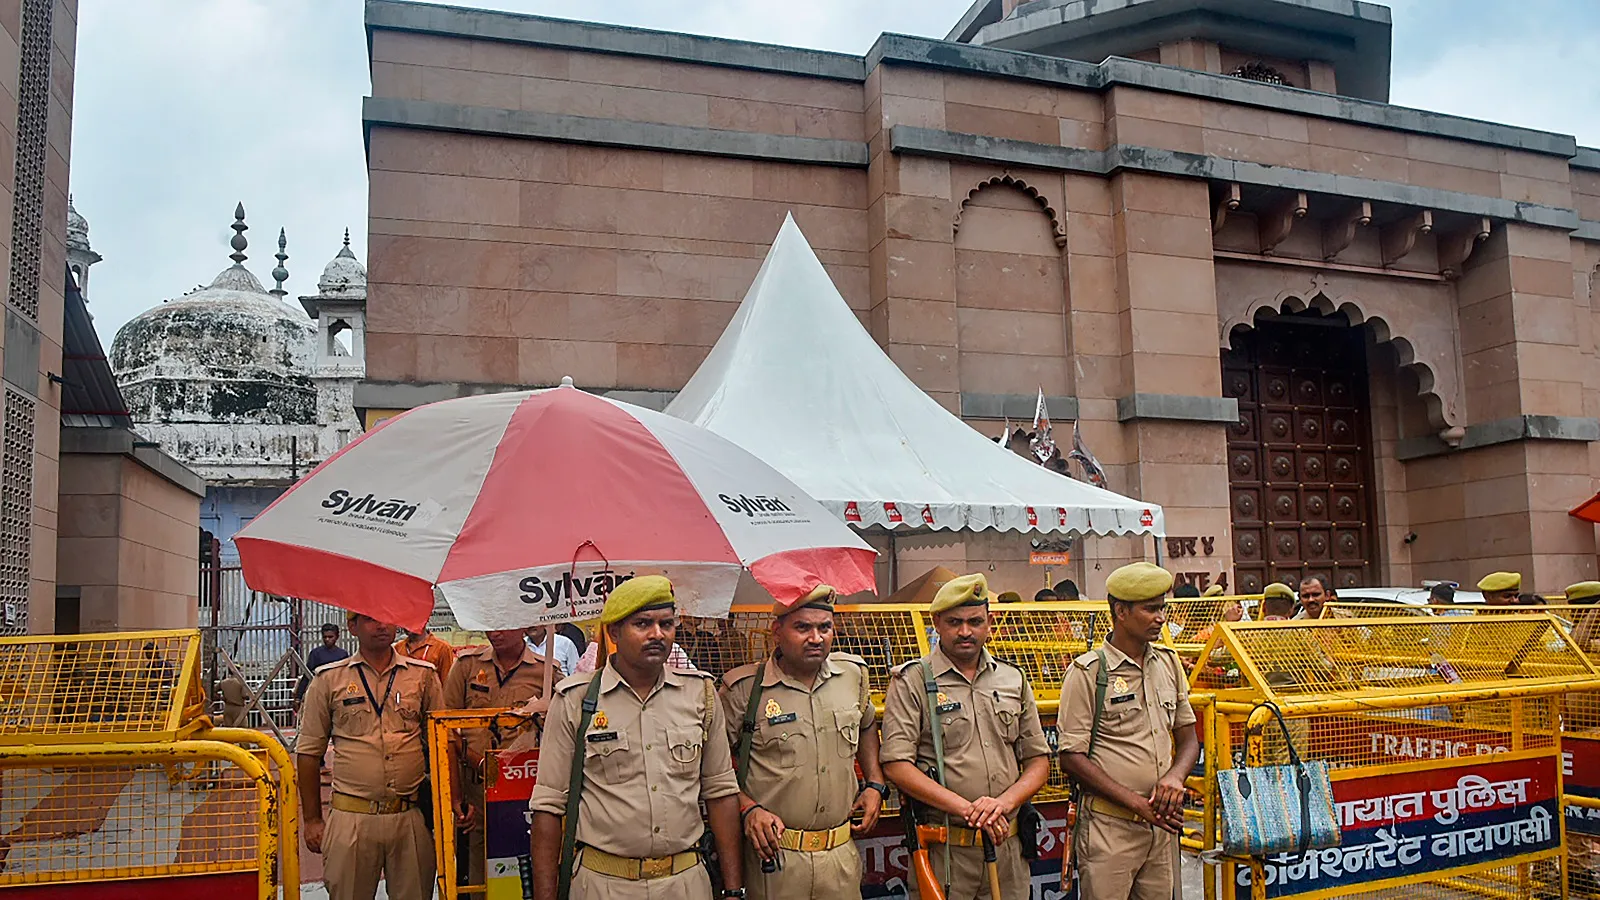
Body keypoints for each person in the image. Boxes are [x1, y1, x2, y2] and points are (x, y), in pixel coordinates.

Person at [529, 576, 743, 900]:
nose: (657, 634)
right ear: (614, 632)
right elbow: (548, 806)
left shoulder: (701, 695)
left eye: (666, 624)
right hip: (604, 884)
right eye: (642, 624)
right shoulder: (577, 700)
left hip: (686, 883)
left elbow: (721, 792)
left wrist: (733, 889)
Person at [880, 573, 1051, 900]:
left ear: (990, 621)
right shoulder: (913, 680)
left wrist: (1003, 803)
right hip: (946, 852)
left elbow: (1038, 760)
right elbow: (896, 764)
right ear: (936, 623)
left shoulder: (1013, 677)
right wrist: (967, 809)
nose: (965, 631)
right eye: (954, 622)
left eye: (975, 621)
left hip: (1007, 848)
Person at [719, 586, 886, 900]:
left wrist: (875, 783)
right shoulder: (744, 691)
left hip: (840, 858)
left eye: (825, 628)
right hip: (775, 862)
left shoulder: (853, 676)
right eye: (803, 628)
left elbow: (866, 725)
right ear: (777, 632)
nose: (816, 638)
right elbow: (714, 768)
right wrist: (748, 808)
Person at [1057, 562, 1199, 900]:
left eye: (1162, 608)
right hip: (1110, 828)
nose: (1160, 618)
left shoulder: (1168, 663)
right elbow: (1071, 758)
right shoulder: (1089, 672)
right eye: (1150, 609)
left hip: (1160, 827)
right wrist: (1136, 803)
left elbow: (1189, 738)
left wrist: (1175, 777)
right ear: (1121, 611)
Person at [297, 612, 449, 900]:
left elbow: (441, 742)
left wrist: (447, 805)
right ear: (352, 627)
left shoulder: (423, 675)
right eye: (370, 619)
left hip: (410, 815)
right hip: (352, 815)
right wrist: (313, 820)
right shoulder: (329, 679)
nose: (382, 625)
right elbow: (308, 753)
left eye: (388, 618)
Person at [444, 627, 548, 887]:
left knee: (520, 871)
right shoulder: (467, 667)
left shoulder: (547, 673)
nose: (495, 634)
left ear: (524, 626)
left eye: (504, 626)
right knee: (479, 874)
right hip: (476, 792)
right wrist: (458, 792)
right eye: (491, 626)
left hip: (523, 794)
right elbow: (445, 731)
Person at [296, 623, 350, 709]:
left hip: (338, 694)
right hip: (320, 693)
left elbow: (348, 676)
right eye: (325, 637)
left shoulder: (342, 655)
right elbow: (307, 675)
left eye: (330, 637)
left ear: (337, 637)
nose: (327, 639)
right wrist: (298, 697)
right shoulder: (316, 654)